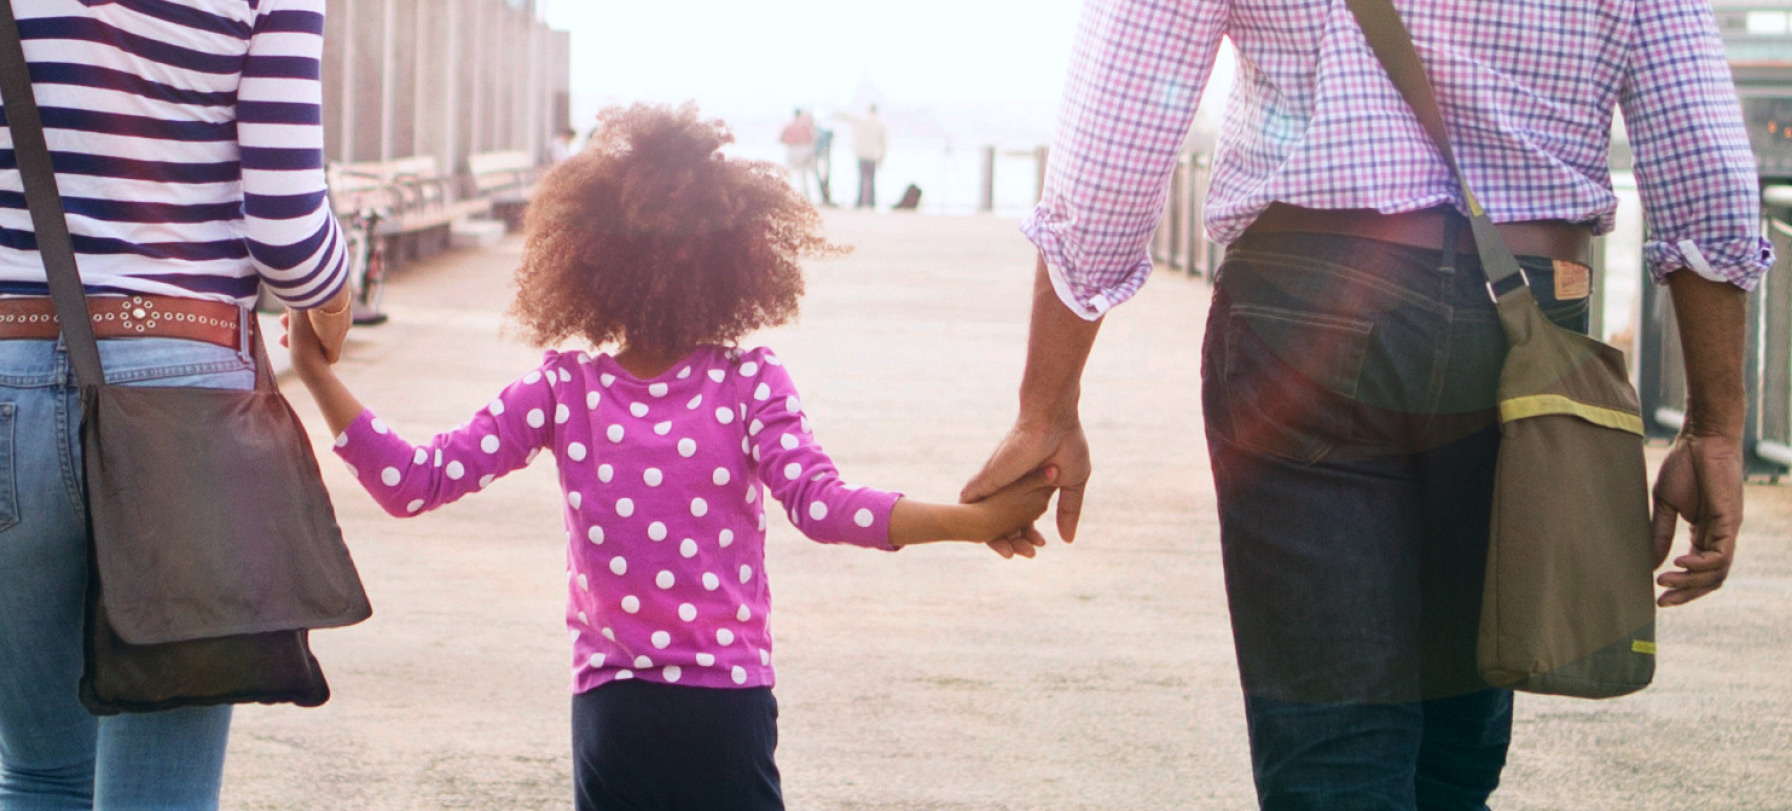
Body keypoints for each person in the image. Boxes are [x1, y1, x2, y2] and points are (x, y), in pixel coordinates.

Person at [962, 1, 1772, 808]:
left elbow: (1119, 123)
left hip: (1308, 306)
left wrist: (1048, 403)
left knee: (1332, 749)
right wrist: (1715, 426)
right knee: (1459, 737)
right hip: (1532, 325)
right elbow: (1703, 166)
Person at [282, 103, 1055, 811]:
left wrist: (316, 375)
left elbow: (413, 481)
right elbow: (825, 508)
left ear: (587, 260)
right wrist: (974, 518)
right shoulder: (750, 381)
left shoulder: (565, 390)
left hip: (615, 714)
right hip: (728, 709)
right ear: (735, 261)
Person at [0, 0, 351, 807]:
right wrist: (329, 302)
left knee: (38, 771)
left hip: (9, 375)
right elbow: (289, 229)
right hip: (186, 394)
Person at [839, 105, 888, 209]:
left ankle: (861, 202)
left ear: (867, 111)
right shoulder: (879, 125)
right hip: (872, 156)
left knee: (862, 179)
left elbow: (847, 118)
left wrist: (834, 113)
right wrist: (881, 159)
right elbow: (883, 145)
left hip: (861, 155)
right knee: (871, 180)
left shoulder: (861, 122)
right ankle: (870, 202)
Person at [778, 108, 817, 202]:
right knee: (803, 175)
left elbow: (781, 139)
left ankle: (786, 196)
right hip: (803, 150)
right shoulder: (805, 125)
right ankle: (806, 198)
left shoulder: (788, 126)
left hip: (791, 150)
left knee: (789, 174)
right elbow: (813, 138)